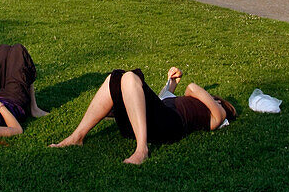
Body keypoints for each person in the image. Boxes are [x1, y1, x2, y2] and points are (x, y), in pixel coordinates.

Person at [49, 65, 235, 164]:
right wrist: (172, 83)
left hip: (169, 126)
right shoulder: (187, 103)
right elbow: (163, 99)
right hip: (153, 121)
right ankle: (77, 136)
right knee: (114, 78)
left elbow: (192, 88)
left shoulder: (217, 116)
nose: (210, 97)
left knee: (129, 77)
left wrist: (211, 98)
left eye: (213, 98)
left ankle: (141, 149)